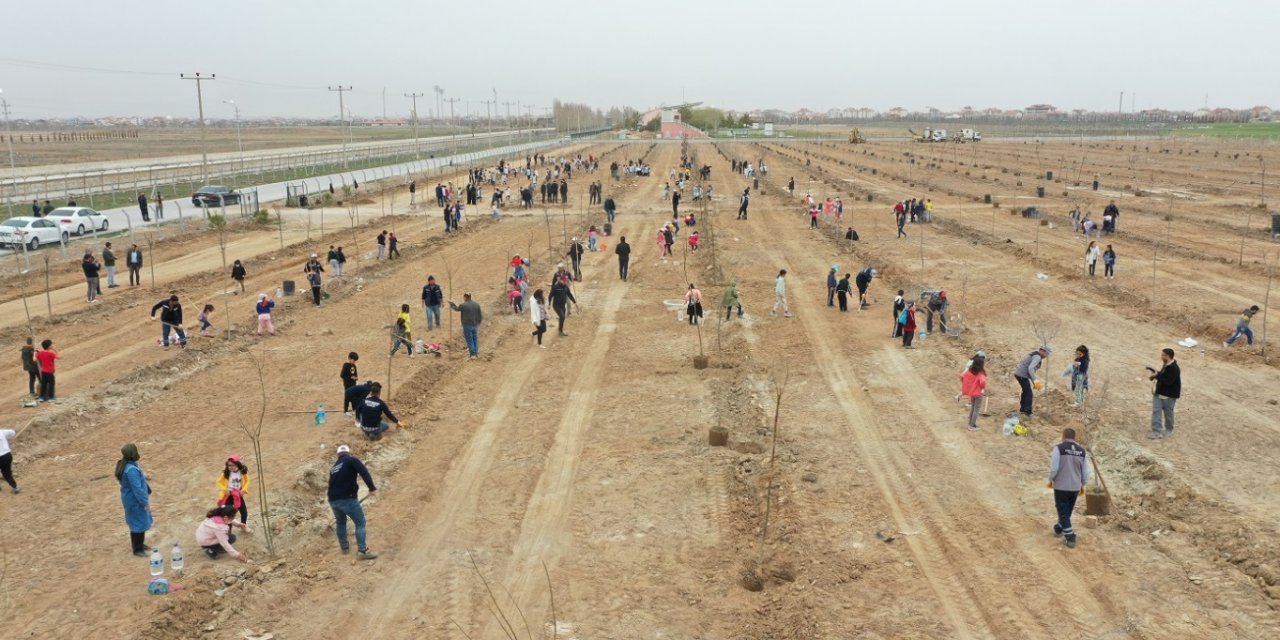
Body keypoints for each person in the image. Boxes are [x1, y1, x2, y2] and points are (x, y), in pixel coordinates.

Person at [328, 444, 378, 559]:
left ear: (338, 455)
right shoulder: (351, 460)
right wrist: (372, 488)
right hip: (347, 498)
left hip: (333, 500)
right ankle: (362, 551)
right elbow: (364, 472)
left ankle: (344, 548)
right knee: (360, 523)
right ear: (349, 452)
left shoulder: (334, 467)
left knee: (341, 522)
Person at [1048, 428, 1090, 549]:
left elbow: (1054, 468)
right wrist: (1083, 483)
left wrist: (1051, 479)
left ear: (1063, 436)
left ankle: (1070, 536)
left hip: (1061, 486)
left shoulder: (1059, 449)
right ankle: (1060, 527)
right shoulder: (1082, 451)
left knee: (1063, 510)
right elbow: (1086, 472)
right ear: (1074, 437)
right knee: (1067, 510)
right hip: (1075, 487)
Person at [116, 443, 152, 557]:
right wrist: (145, 503)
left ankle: (139, 544)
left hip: (130, 499)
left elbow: (137, 471)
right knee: (138, 523)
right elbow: (137, 489)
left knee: (137, 522)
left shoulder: (126, 464)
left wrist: (144, 475)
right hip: (134, 501)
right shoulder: (130, 470)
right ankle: (137, 549)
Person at [1147, 348, 1181, 439]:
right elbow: (1162, 376)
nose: (1161, 356)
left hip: (1169, 396)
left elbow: (1168, 381)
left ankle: (1169, 430)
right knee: (1156, 412)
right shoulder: (1166, 364)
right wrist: (1155, 373)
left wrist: (1156, 375)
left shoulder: (1174, 368)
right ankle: (1156, 431)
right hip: (1159, 393)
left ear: (1168, 356)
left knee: (1168, 413)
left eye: (1163, 355)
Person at [1014, 345, 1052, 418]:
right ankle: (1027, 412)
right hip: (1022, 375)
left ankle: (1023, 409)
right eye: (1047, 353)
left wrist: (1034, 382)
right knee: (1029, 393)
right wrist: (1036, 382)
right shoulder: (1037, 357)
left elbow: (1032, 371)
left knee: (1025, 391)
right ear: (1043, 351)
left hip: (1019, 374)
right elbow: (1030, 369)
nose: (1047, 356)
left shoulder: (1035, 354)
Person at [216, 455, 251, 524]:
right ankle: (228, 529)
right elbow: (218, 482)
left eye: (233, 465)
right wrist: (225, 489)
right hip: (228, 495)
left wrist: (244, 490)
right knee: (227, 513)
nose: (231, 467)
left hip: (238, 495)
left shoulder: (242, 472)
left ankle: (243, 525)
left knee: (244, 512)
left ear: (238, 464)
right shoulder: (226, 473)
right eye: (229, 465)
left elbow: (248, 480)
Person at [450, 293, 483, 359]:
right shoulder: (476, 305)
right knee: (475, 339)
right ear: (470, 297)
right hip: (475, 324)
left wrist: (451, 304)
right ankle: (476, 352)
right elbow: (480, 315)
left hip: (467, 325)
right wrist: (479, 322)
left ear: (465, 297)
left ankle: (473, 354)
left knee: (469, 339)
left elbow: (456, 309)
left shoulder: (463, 305)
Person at [959, 356, 987, 432]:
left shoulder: (970, 370)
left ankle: (970, 423)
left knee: (973, 408)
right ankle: (971, 426)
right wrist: (982, 388)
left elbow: (961, 376)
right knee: (976, 410)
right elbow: (983, 382)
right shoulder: (981, 373)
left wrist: (967, 384)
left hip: (972, 393)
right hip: (978, 394)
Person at [0, 427, 19, 494]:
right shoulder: (2, 432)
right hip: (7, 456)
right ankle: (15, 487)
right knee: (7, 474)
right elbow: (13, 432)